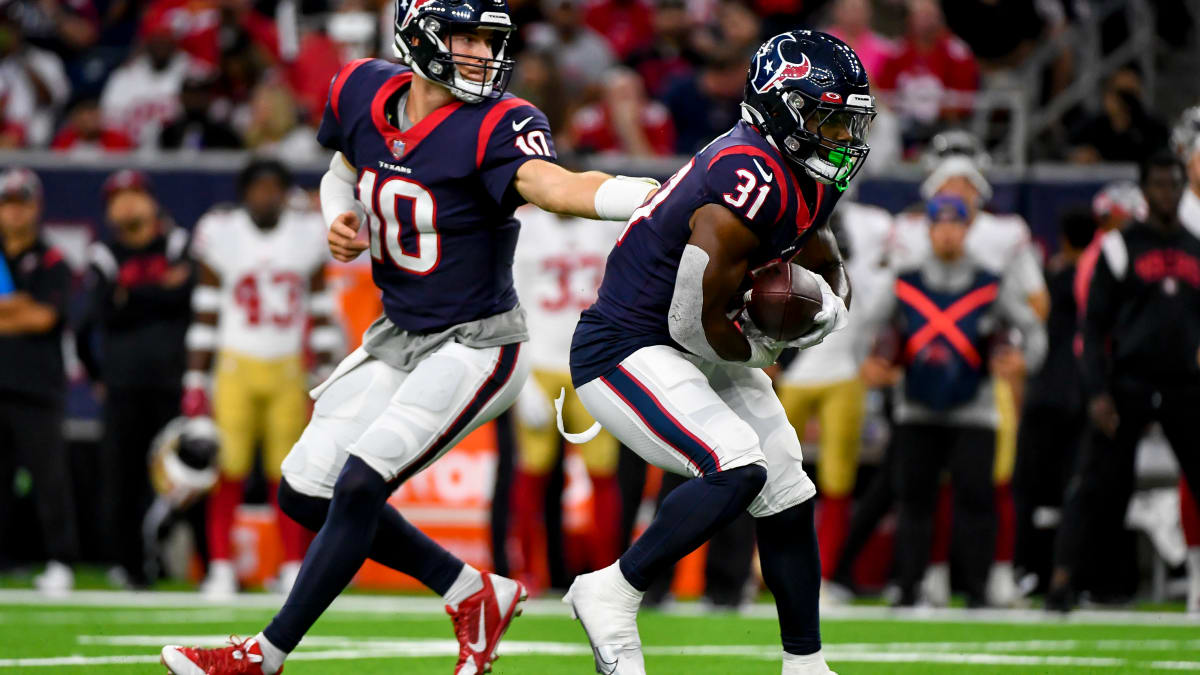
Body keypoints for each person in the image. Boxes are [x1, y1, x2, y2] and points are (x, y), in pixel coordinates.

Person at [159, 0, 660, 670]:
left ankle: (266, 654)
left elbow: (554, 185)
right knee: (303, 491)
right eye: (466, 38)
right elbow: (345, 166)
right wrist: (341, 216)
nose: (483, 54)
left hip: (479, 342)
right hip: (399, 333)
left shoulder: (496, 123)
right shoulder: (362, 87)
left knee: (361, 481)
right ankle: (469, 589)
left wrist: (658, 195)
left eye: (491, 41)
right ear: (418, 37)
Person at [564, 30, 873, 675]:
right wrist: (766, 350)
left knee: (787, 484)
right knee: (737, 466)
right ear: (783, 110)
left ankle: (805, 664)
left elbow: (809, 232)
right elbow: (693, 319)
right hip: (629, 346)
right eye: (827, 117)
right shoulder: (743, 178)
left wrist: (834, 293)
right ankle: (614, 587)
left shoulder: (804, 167)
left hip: (693, 341)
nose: (841, 134)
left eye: (848, 119)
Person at [861, 194, 1047, 607]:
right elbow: (866, 324)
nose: (947, 232)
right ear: (928, 230)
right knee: (913, 502)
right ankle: (908, 589)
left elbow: (1033, 327)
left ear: (967, 229)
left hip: (974, 408)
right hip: (916, 406)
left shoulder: (989, 279)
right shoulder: (905, 279)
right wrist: (867, 365)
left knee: (977, 500)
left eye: (955, 224)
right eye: (939, 224)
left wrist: (1024, 361)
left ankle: (977, 592)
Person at [1047, 151, 1200, 612]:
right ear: (1144, 190)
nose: (1167, 193)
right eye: (1159, 185)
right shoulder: (1119, 247)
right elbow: (1092, 331)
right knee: (1095, 484)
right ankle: (1061, 583)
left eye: (1175, 184)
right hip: (1128, 382)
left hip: (1185, 385)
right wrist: (1097, 392)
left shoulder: (1196, 247)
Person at [183, 159, 338, 598]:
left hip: (287, 366)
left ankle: (290, 566)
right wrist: (195, 380)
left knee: (288, 475)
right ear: (243, 192)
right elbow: (206, 309)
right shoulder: (222, 233)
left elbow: (321, 310)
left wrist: (326, 374)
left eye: (274, 189)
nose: (265, 196)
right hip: (234, 365)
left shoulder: (306, 234)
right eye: (258, 188)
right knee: (226, 471)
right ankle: (219, 566)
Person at [76, 170, 194, 588]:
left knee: (181, 476)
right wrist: (97, 375)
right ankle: (129, 566)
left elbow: (187, 297)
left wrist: (132, 294)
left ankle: (186, 563)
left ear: (151, 201)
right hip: (123, 384)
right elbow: (96, 318)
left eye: (134, 195)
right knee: (121, 479)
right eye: (117, 198)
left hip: (172, 382)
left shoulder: (178, 243)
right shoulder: (103, 255)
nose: (127, 205)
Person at [509, 205, 625, 594]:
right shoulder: (523, 224)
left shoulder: (607, 223)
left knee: (603, 475)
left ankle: (607, 577)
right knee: (531, 475)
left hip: (590, 364)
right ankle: (527, 572)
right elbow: (507, 302)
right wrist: (521, 379)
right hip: (540, 362)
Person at [777, 200, 893, 585]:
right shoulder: (787, 264)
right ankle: (768, 570)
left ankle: (825, 573)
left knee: (837, 481)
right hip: (797, 374)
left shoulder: (864, 268)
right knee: (771, 476)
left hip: (842, 372)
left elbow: (883, 313)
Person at [0, 168, 78, 593]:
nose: (13, 212)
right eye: (7, 203)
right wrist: (18, 307)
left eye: (21, 203)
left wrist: (19, 310)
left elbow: (44, 316)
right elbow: (26, 314)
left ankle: (60, 560)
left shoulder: (52, 260)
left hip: (37, 388)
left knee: (49, 479)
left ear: (36, 207)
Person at [1010, 208, 1094, 596]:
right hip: (1081, 394)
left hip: (1045, 391)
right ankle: (1071, 574)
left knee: (1030, 490)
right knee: (1072, 490)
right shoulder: (1096, 279)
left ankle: (1030, 569)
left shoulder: (1053, 278)